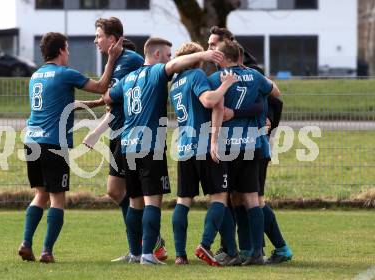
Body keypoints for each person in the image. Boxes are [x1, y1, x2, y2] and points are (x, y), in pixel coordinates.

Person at [103, 37, 224, 265]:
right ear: (157, 55)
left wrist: (109, 102)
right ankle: (148, 254)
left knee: (134, 202)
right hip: (150, 145)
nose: (171, 59)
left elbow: (109, 97)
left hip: (127, 146)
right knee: (152, 202)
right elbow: (175, 66)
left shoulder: (128, 78)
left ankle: (134, 252)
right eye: (168, 55)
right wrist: (203, 55)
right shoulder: (157, 72)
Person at [17, 31, 122, 263]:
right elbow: (102, 85)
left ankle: (26, 242)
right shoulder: (65, 73)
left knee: (40, 195)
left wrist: (93, 104)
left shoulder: (36, 76)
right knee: (57, 199)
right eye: (68, 49)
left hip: (32, 140)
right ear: (62, 50)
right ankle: (47, 251)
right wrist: (112, 59)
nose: (69, 53)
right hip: (54, 143)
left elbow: (60, 105)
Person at [75, 17, 172, 262]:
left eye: (98, 35)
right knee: (117, 190)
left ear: (112, 38)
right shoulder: (117, 61)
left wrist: (96, 131)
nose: (95, 40)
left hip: (129, 134)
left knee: (123, 191)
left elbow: (125, 105)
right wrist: (95, 103)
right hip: (124, 135)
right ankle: (142, 245)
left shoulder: (129, 61)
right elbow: (110, 96)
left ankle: (148, 244)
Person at [208, 26, 292, 264]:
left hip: (229, 145)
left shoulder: (217, 78)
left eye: (214, 47)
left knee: (235, 199)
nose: (210, 51)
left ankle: (246, 249)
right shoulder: (255, 75)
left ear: (225, 53)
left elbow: (210, 103)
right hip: (254, 144)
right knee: (252, 199)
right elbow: (275, 91)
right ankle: (254, 252)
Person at [168, 42, 240, 266]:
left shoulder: (174, 84)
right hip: (204, 145)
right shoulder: (196, 74)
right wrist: (226, 85)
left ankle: (180, 255)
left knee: (183, 201)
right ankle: (205, 245)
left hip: (184, 148)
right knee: (219, 197)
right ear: (196, 58)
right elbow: (209, 100)